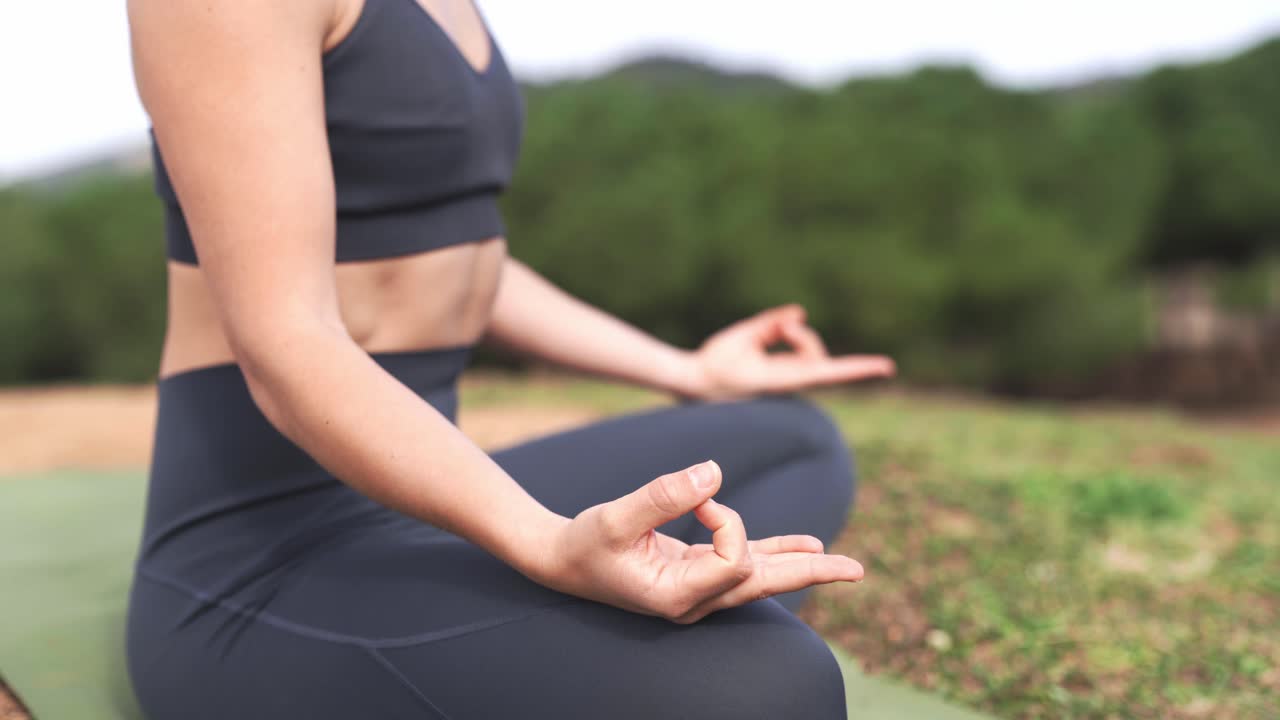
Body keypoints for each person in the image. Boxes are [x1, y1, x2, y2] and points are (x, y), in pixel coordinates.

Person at [123, 0, 896, 717]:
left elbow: (459, 264)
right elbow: (287, 340)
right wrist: (543, 543)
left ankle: (587, 645)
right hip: (265, 558)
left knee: (792, 438)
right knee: (766, 684)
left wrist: (686, 370)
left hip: (425, 498)